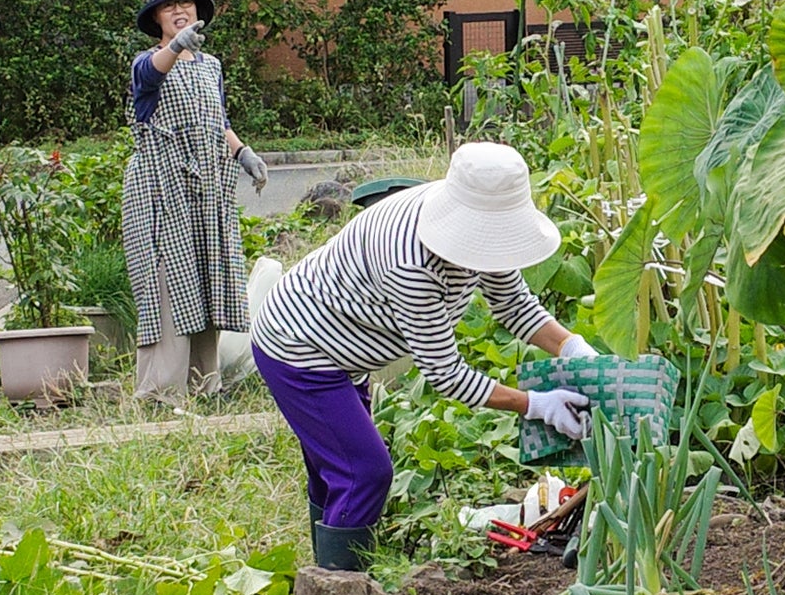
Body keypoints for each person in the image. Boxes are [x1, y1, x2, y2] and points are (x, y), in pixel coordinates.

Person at [252, 142, 598, 571]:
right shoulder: (411, 263)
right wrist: (536, 404)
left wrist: (573, 347)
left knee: (336, 469)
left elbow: (513, 305)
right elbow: (446, 373)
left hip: (345, 349)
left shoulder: (477, 216)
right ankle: (338, 593)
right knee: (364, 472)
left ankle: (327, 589)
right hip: (301, 349)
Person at [122, 0, 268, 403]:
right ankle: (161, 392)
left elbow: (216, 121)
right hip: (160, 187)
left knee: (207, 278)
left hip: (206, 188)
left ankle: (205, 386)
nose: (180, 10)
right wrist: (175, 48)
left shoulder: (212, 66)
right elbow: (150, 75)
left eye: (186, 3)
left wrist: (243, 153)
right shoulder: (146, 61)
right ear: (157, 19)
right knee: (167, 281)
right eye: (170, 6)